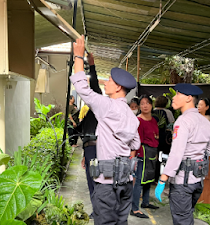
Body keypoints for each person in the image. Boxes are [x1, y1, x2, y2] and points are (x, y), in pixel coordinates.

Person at [70, 35, 141, 225]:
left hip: (107, 185)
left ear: (118, 87)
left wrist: (78, 57)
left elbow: (82, 88)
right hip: (125, 183)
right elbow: (135, 144)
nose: (105, 82)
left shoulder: (107, 106)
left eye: (109, 80)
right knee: (121, 222)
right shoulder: (131, 116)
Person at [154, 83, 210, 225]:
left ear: (188, 98)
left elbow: (176, 154)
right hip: (197, 182)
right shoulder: (206, 122)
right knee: (187, 217)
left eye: (177, 94)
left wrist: (162, 180)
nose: (173, 98)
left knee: (183, 221)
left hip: (182, 183)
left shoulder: (182, 121)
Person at [76, 53, 101, 219]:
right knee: (91, 182)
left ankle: (99, 210)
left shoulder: (98, 105)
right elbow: (83, 135)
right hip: (89, 150)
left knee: (96, 180)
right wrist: (85, 155)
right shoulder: (86, 111)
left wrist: (91, 66)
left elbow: (95, 86)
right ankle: (96, 209)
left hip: (97, 148)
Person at [131, 95, 159, 219]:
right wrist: (133, 157)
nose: (145, 106)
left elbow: (156, 136)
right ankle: (134, 208)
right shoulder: (138, 120)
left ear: (151, 105)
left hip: (152, 153)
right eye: (142, 104)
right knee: (139, 181)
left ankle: (146, 202)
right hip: (142, 153)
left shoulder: (154, 120)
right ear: (139, 106)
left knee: (149, 179)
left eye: (147, 103)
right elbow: (136, 140)